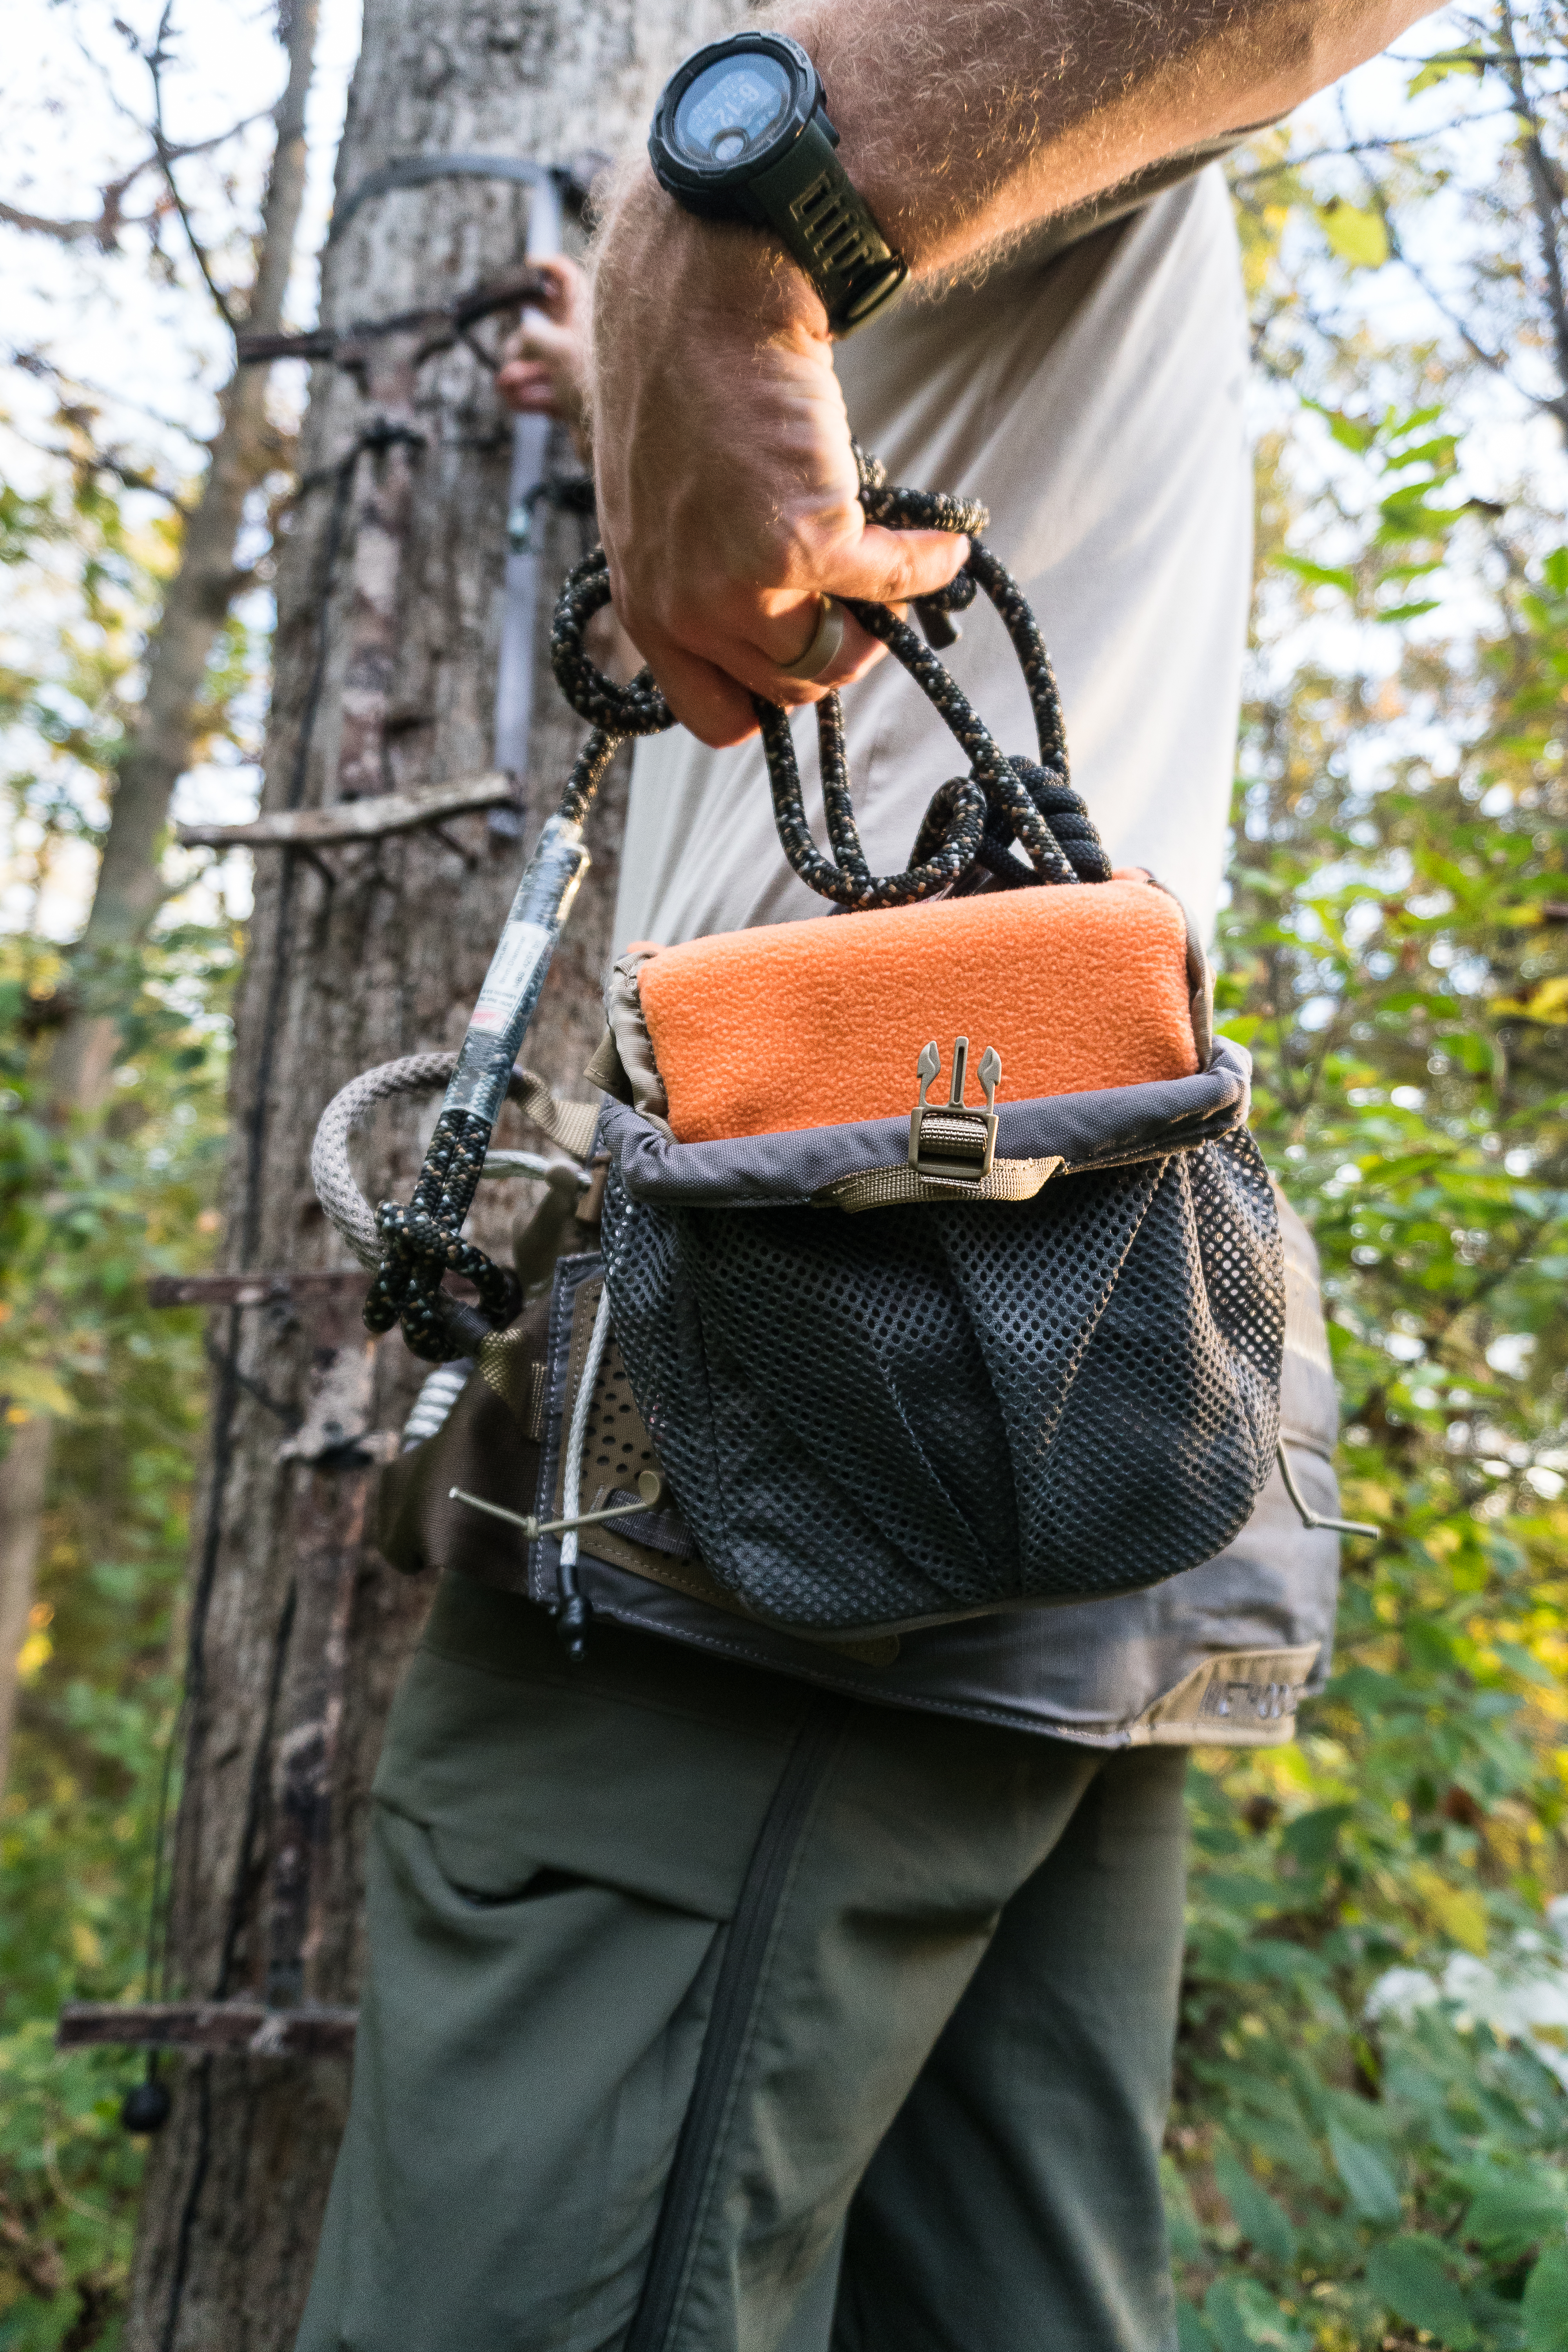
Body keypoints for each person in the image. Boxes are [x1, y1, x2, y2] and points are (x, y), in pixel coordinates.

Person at [297, 4, 1432, 2347]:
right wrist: (653, 343)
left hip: (829, 1401)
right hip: (1070, 1373)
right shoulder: (942, 157)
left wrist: (715, 225)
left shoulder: (847, 107)